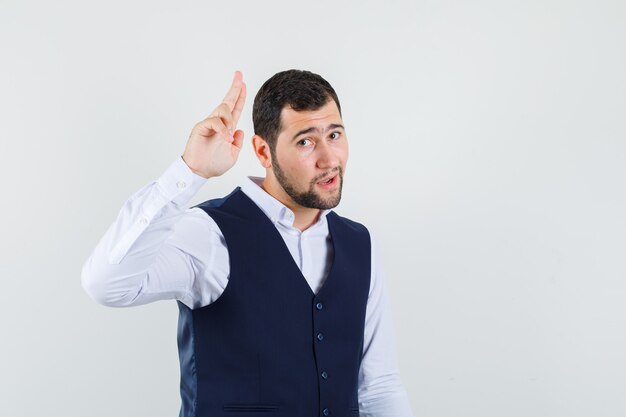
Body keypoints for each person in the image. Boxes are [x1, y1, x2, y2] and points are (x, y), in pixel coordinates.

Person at [81, 69, 414, 417]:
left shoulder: (359, 244)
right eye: (305, 141)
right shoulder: (209, 234)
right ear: (263, 151)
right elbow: (106, 285)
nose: (329, 159)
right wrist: (190, 172)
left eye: (335, 134)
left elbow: (378, 386)